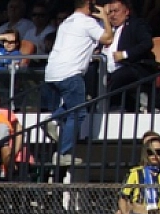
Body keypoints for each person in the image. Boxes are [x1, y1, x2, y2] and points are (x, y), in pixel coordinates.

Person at [41, 0, 112, 163]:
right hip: (71, 73)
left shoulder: (67, 22)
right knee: (78, 113)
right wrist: (105, 18)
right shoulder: (86, 22)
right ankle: (63, 153)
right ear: (89, 5)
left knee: (72, 105)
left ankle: (54, 119)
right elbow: (107, 38)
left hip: (53, 72)